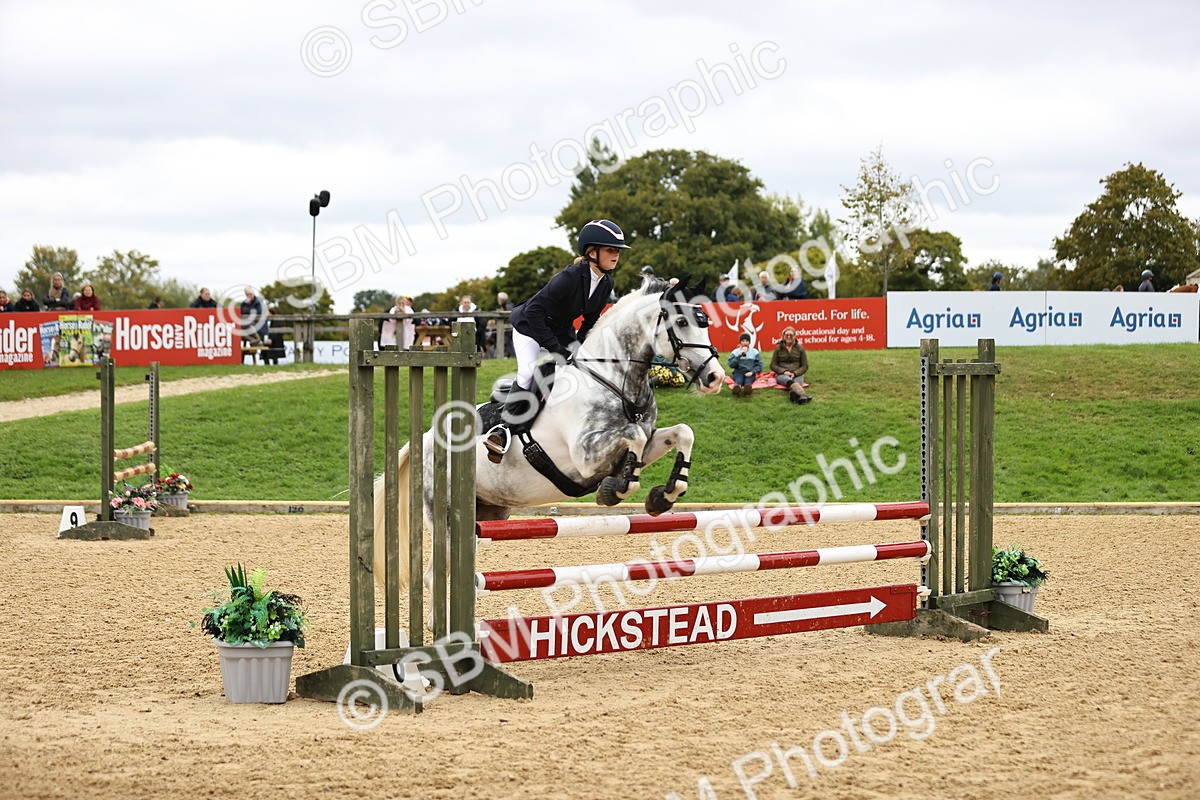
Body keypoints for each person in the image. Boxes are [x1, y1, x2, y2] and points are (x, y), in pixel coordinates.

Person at [483, 218, 629, 462]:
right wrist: (555, 348)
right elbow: (534, 312)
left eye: (618, 252)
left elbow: (589, 321)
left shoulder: (606, 283)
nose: (616, 256)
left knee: (582, 366)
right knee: (528, 374)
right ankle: (502, 430)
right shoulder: (568, 278)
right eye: (611, 250)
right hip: (529, 326)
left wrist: (580, 346)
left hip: (560, 328)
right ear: (592, 252)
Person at [770, 326, 812, 404]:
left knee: (796, 384)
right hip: (782, 375)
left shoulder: (800, 348)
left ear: (795, 336)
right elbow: (773, 365)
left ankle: (795, 397)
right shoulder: (778, 348)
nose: (789, 337)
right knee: (788, 380)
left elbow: (805, 366)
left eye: (791, 335)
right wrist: (784, 371)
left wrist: (795, 373)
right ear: (783, 336)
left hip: (797, 374)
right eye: (786, 335)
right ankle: (803, 394)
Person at [727, 333, 762, 399]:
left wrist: (752, 372)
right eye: (743, 341)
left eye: (747, 341)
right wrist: (739, 355)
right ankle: (736, 389)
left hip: (750, 372)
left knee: (748, 381)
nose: (745, 343)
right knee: (739, 380)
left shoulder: (755, 352)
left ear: (749, 342)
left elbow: (759, 365)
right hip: (739, 371)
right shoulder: (735, 352)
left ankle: (747, 390)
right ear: (740, 342)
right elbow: (731, 364)